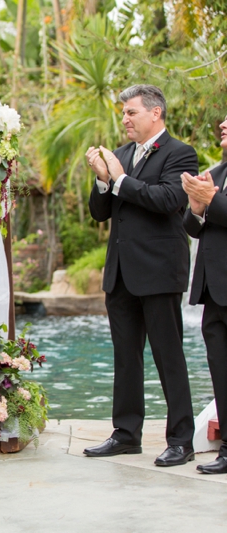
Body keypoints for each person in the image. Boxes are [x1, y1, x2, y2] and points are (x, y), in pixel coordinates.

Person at [84, 84, 198, 466]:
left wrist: (118, 180)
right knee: (125, 358)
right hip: (120, 274)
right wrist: (102, 180)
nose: (125, 119)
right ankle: (126, 434)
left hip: (159, 271)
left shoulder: (180, 153)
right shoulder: (118, 155)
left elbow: (168, 200)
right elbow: (100, 213)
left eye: (131, 112)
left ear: (155, 114)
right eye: (123, 113)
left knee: (169, 357)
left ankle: (181, 440)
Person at [181, 115, 227, 474]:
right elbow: (195, 227)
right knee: (220, 370)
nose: (222, 125)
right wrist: (197, 209)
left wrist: (212, 200)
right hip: (215, 290)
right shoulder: (217, 171)